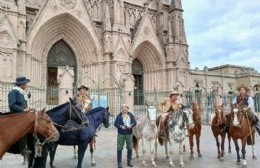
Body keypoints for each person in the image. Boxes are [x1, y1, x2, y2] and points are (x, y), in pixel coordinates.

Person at [8, 76, 31, 157]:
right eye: (25, 84)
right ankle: (23, 149)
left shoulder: (21, 92)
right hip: (16, 117)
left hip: (22, 116)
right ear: (21, 84)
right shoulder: (14, 92)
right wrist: (23, 110)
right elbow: (12, 105)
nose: (26, 85)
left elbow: (23, 104)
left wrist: (27, 108)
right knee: (23, 129)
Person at [114, 104, 137, 168]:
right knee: (119, 147)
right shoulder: (119, 116)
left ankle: (129, 162)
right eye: (123, 108)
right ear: (121, 109)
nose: (124, 109)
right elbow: (115, 124)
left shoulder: (131, 115)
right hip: (121, 134)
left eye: (126, 108)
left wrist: (131, 125)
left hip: (129, 134)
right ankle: (119, 163)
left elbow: (135, 122)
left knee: (130, 147)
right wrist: (121, 126)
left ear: (127, 108)